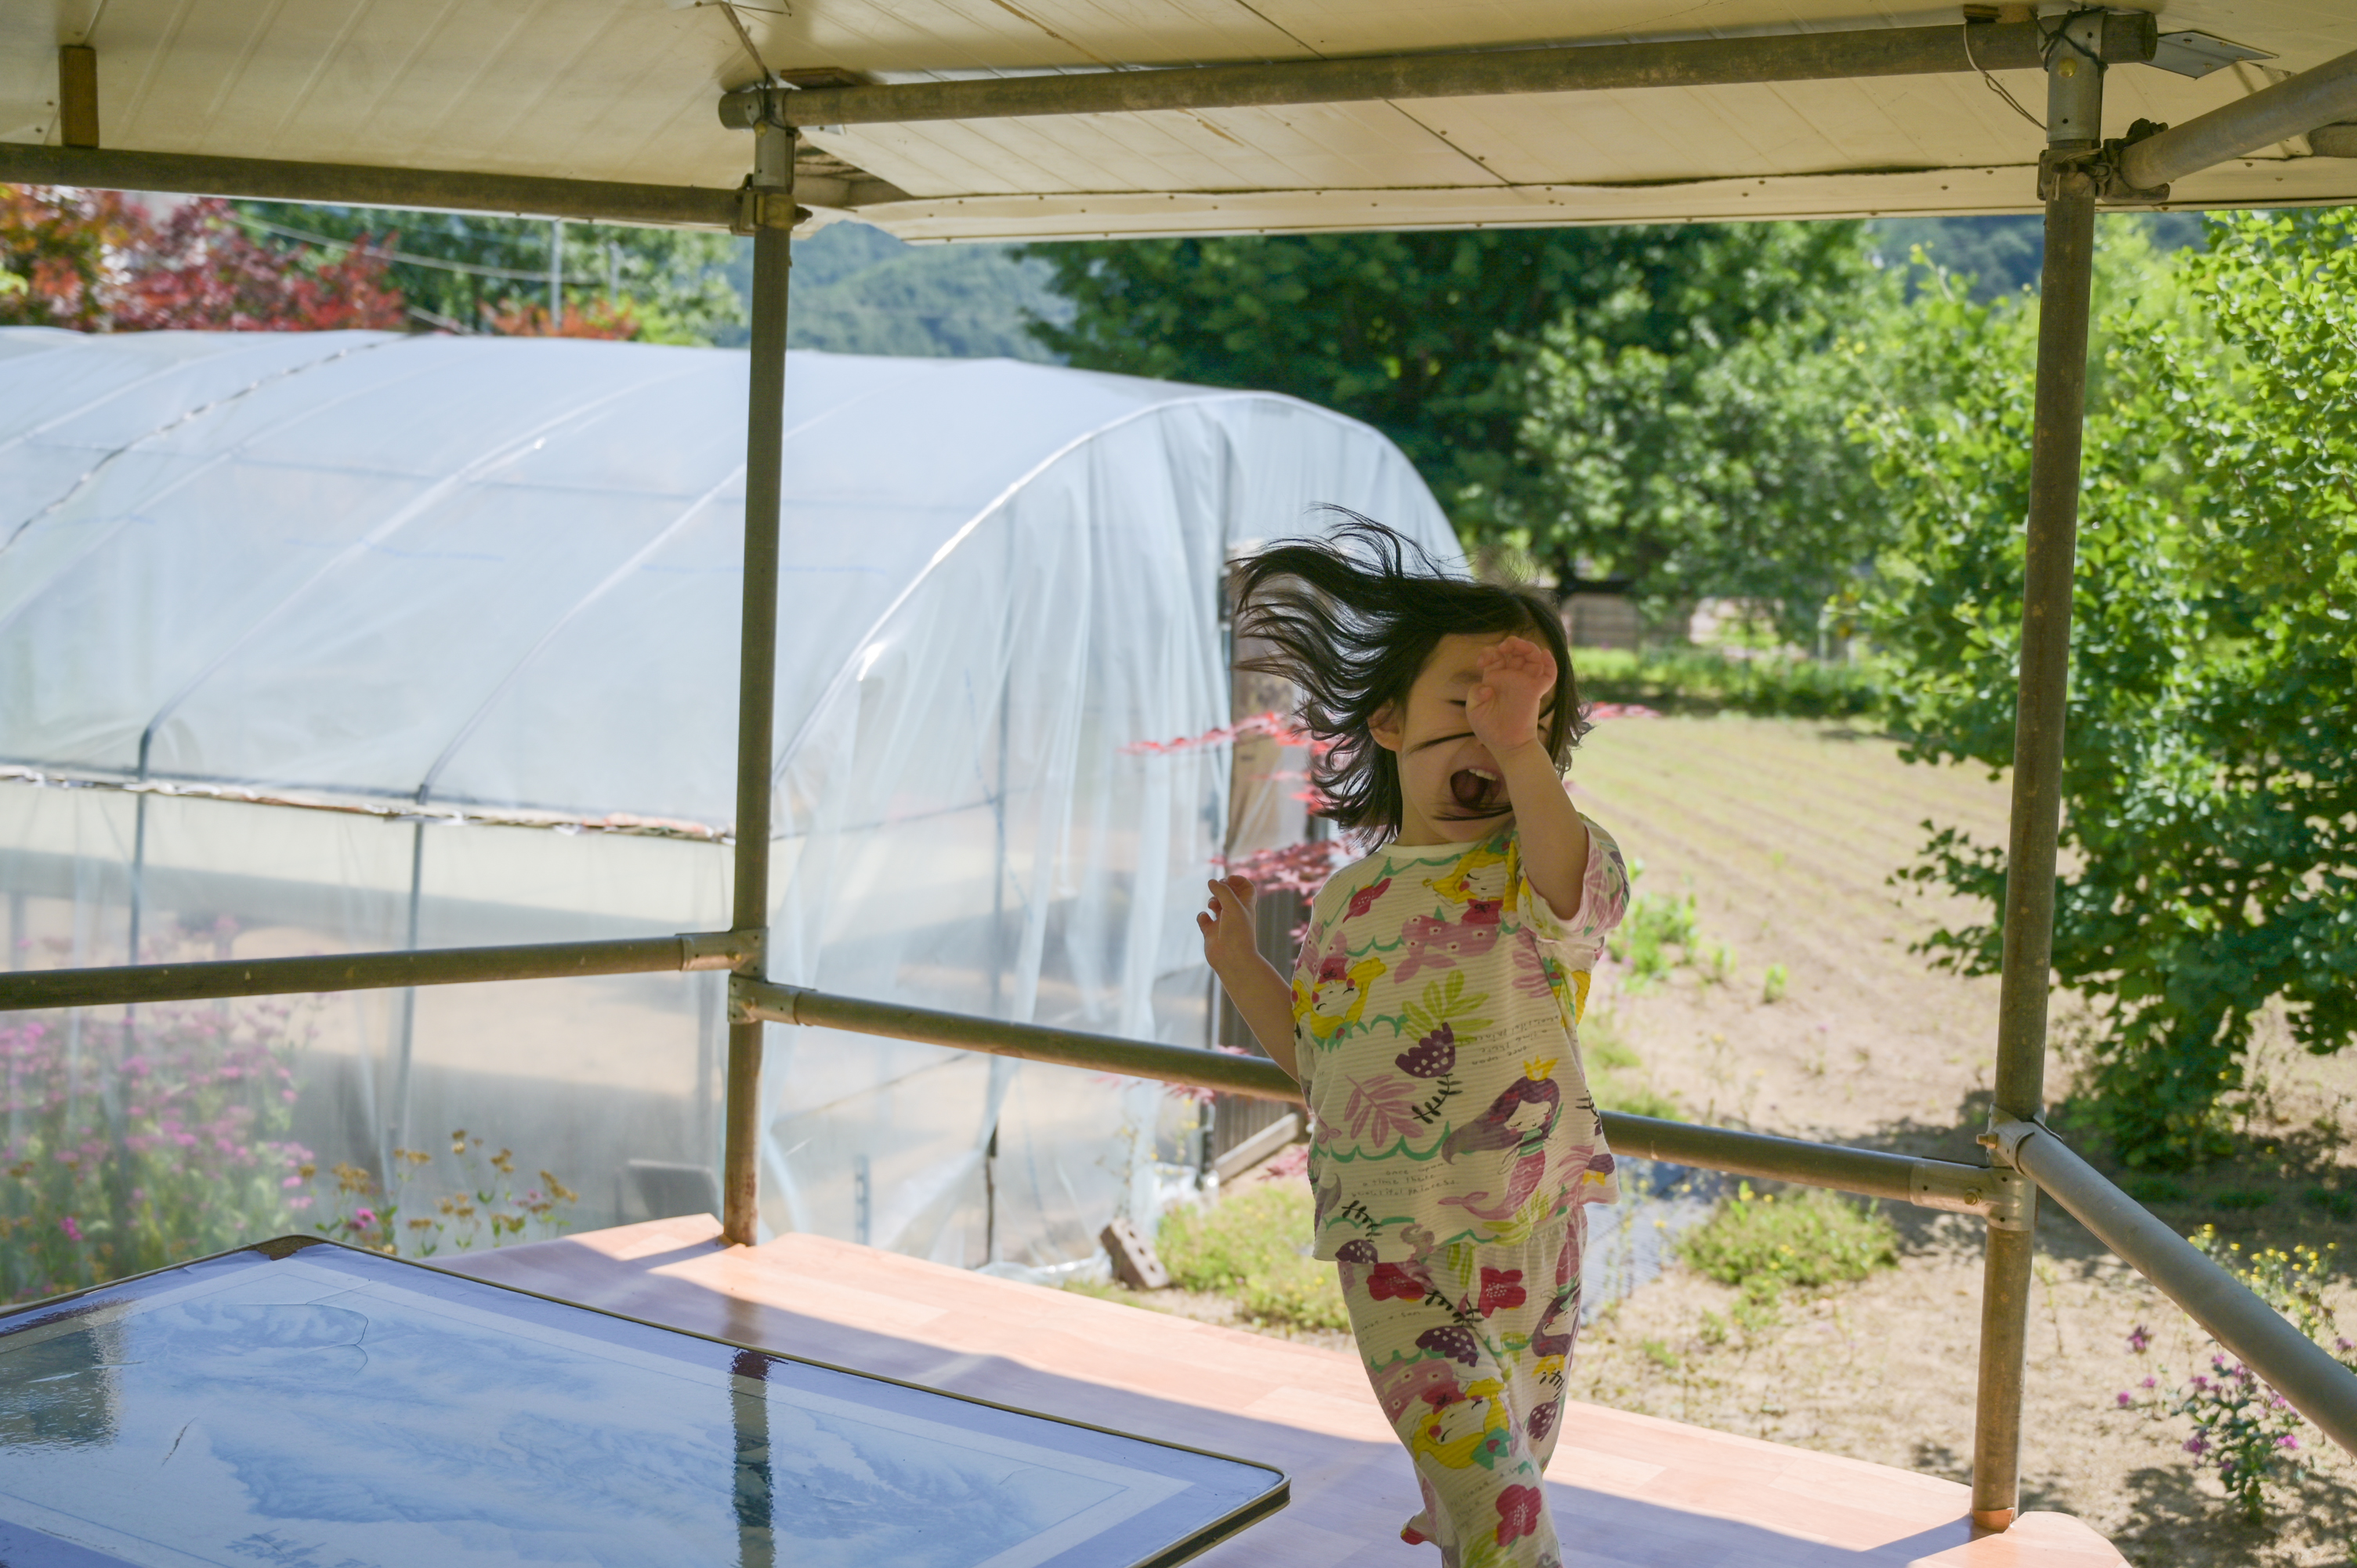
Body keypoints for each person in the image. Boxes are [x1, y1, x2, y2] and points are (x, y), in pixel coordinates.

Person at [1199, 513, 1628, 1568]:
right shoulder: (1350, 898)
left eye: (1528, 714)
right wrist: (1246, 971)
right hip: (1390, 1242)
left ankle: (1462, 1516)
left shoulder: (1539, 871)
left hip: (1531, 1230)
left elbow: (1581, 893)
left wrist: (1518, 747)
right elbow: (1325, 1067)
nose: (1497, 730)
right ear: (1389, 723)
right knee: (1502, 1509)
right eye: (1469, 701)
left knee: (1507, 1470)